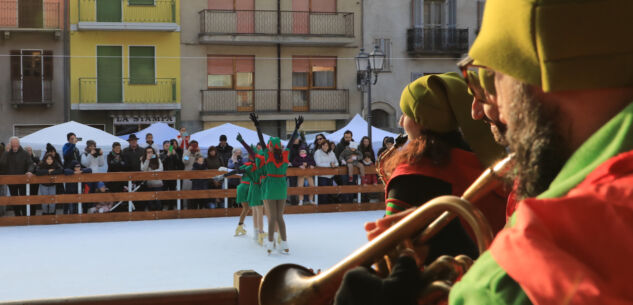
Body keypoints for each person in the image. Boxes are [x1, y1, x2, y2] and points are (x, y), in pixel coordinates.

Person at [334, 72, 508, 305]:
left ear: (419, 120)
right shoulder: (481, 162)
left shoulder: (413, 173)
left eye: (405, 113)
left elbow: (391, 259)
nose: (400, 122)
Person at [250, 112, 303, 254]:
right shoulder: (285, 154)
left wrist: (258, 126)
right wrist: (296, 128)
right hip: (281, 186)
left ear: (271, 147)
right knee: (280, 216)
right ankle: (284, 244)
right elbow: (291, 142)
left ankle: (270, 243)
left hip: (270, 186)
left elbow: (261, 141)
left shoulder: (268, 154)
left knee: (272, 216)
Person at [0, 137, 35, 216]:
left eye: (16, 143)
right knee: (14, 199)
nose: (15, 145)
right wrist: (6, 153)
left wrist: (29, 171)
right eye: (13, 144)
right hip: (11, 181)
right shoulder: (7, 153)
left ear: (19, 144)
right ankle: (17, 216)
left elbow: (31, 164)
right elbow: (2, 164)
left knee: (23, 199)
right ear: (11, 144)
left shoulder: (25, 153)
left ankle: (25, 216)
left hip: (22, 180)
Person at [160, 140, 184, 210]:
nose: (168, 147)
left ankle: (171, 207)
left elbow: (179, 164)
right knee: (163, 191)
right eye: (166, 146)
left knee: (172, 191)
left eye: (169, 146)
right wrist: (167, 155)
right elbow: (162, 162)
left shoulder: (175, 153)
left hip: (173, 175)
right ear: (163, 146)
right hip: (164, 176)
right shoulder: (161, 154)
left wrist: (175, 155)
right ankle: (161, 206)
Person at [314, 140, 339, 204]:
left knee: (329, 192)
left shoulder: (331, 152)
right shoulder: (318, 152)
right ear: (321, 146)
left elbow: (337, 162)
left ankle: (328, 207)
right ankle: (322, 207)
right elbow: (318, 163)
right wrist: (330, 165)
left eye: (326, 145)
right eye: (323, 145)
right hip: (322, 176)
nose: (325, 147)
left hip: (331, 176)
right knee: (323, 193)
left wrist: (334, 165)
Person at [140, 147, 163, 211]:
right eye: (148, 152)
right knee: (150, 203)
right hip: (149, 184)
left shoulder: (157, 159)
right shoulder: (143, 159)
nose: (150, 153)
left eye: (151, 152)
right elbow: (143, 170)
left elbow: (161, 169)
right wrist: (147, 160)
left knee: (159, 202)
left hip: (158, 183)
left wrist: (151, 173)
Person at [182, 141, 203, 209]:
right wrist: (188, 151)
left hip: (197, 177)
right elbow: (185, 161)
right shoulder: (186, 153)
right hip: (187, 177)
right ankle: (185, 208)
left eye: (195, 145)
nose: (194, 147)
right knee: (186, 193)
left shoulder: (198, 154)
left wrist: (199, 152)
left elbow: (201, 162)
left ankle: (196, 209)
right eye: (193, 146)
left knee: (196, 194)